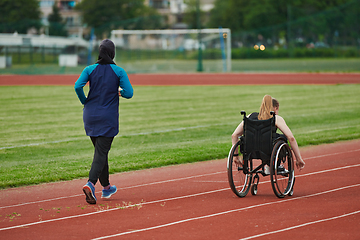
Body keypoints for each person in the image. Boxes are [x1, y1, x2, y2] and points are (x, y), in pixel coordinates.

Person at [74, 39, 133, 204]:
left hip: (90, 116)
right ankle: (90, 184)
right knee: (100, 153)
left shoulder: (89, 69)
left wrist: (84, 101)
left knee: (101, 152)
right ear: (112, 53)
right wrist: (119, 92)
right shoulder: (119, 71)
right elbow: (129, 93)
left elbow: (78, 86)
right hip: (108, 118)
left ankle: (106, 188)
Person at [231, 95, 305, 172]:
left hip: (250, 150)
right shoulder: (276, 118)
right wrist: (298, 159)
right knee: (282, 138)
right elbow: (291, 138)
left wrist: (235, 156)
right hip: (268, 149)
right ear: (276, 108)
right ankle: (273, 165)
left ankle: (267, 166)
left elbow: (234, 135)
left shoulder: (250, 116)